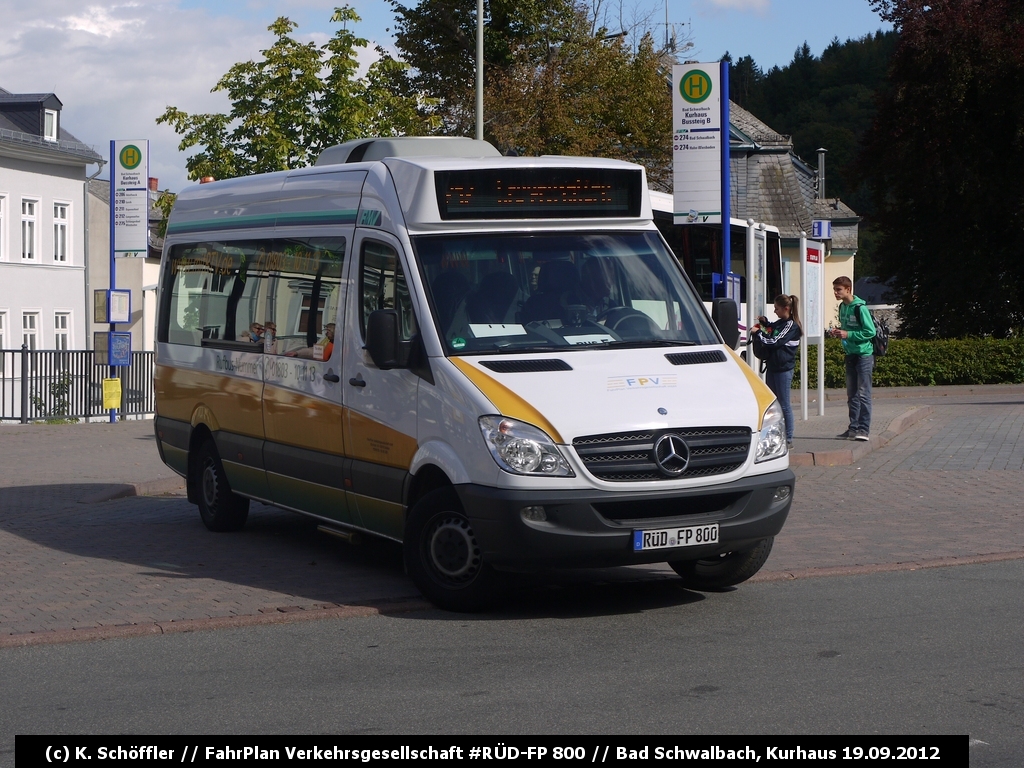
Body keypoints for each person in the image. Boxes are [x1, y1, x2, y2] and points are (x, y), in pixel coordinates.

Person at [829, 276, 876, 441]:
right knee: (852, 394)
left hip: (864, 354)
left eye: (838, 289)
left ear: (848, 289)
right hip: (850, 354)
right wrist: (838, 332)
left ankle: (864, 429)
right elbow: (846, 328)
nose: (835, 293)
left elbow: (870, 332)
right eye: (834, 289)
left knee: (864, 393)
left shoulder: (860, 308)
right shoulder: (842, 307)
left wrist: (848, 334)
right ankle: (853, 428)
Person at [753, 295, 802, 451]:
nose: (775, 311)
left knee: (785, 404)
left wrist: (758, 333)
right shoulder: (781, 323)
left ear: (786, 309)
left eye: (776, 308)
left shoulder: (791, 325)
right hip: (773, 367)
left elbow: (775, 341)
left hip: (783, 369)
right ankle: (774, 436)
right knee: (773, 404)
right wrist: (764, 323)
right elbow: (773, 328)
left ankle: (788, 438)